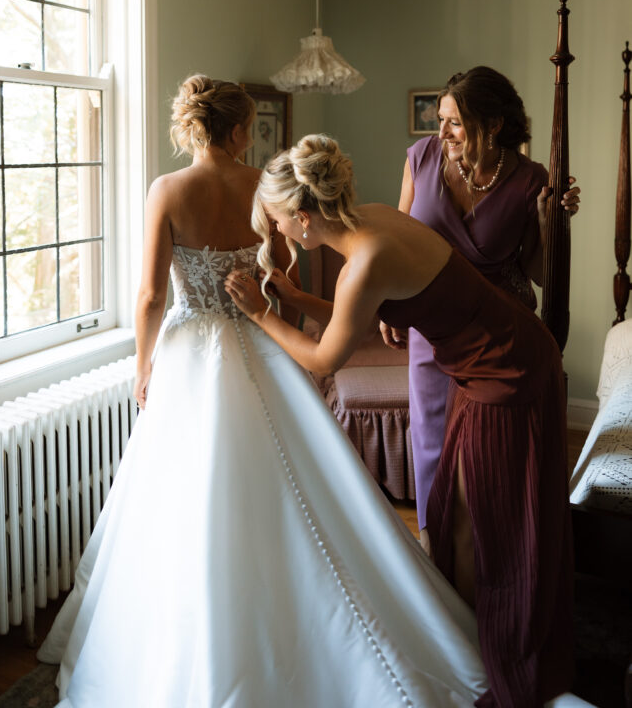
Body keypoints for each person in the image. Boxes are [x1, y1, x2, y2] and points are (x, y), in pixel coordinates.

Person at [37, 78, 488, 708]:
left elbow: (149, 296)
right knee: (294, 482)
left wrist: (143, 364)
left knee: (187, 494)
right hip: (260, 344)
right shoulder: (262, 187)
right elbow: (285, 274)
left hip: (191, 354)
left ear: (193, 127)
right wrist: (273, 308)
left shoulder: (167, 191)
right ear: (240, 129)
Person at [226, 134, 573, 708]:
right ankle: (464, 632)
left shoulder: (365, 260)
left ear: (304, 218)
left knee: (489, 518)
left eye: (278, 221)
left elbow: (323, 356)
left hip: (506, 370)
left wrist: (263, 313)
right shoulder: (374, 220)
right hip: (485, 362)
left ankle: (496, 643)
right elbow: (351, 316)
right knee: (453, 512)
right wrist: (292, 296)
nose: (278, 233)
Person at [382, 67, 580, 549]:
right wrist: (387, 306)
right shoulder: (421, 158)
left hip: (497, 336)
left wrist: (550, 222)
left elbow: (538, 271)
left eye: (454, 121)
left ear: (493, 125)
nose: (442, 131)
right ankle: (436, 554)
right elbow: (398, 240)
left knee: (486, 452)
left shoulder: (533, 180)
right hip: (431, 328)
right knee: (431, 444)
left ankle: (493, 551)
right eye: (440, 119)